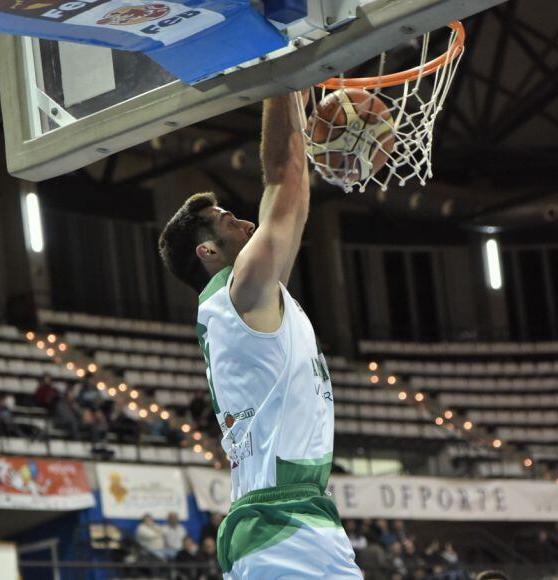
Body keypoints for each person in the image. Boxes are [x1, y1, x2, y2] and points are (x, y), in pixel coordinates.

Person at [158, 91, 359, 579]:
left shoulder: (249, 299)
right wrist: (282, 74)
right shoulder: (241, 293)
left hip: (289, 525)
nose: (247, 221)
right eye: (229, 221)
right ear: (208, 251)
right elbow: (283, 177)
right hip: (282, 530)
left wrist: (296, 93)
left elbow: (296, 192)